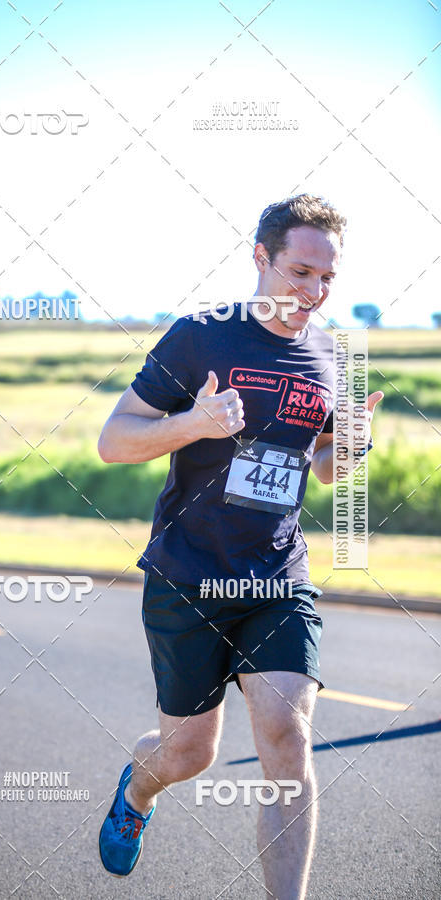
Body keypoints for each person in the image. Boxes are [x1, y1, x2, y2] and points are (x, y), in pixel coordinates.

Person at [96, 194, 383, 899]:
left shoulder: (327, 356)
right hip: (189, 572)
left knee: (287, 737)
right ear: (260, 257)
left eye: (327, 279)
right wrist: (192, 422)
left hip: (276, 573)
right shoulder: (200, 336)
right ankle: (137, 791)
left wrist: (346, 450)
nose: (313, 292)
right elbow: (114, 441)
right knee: (189, 752)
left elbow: (320, 464)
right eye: (299, 271)